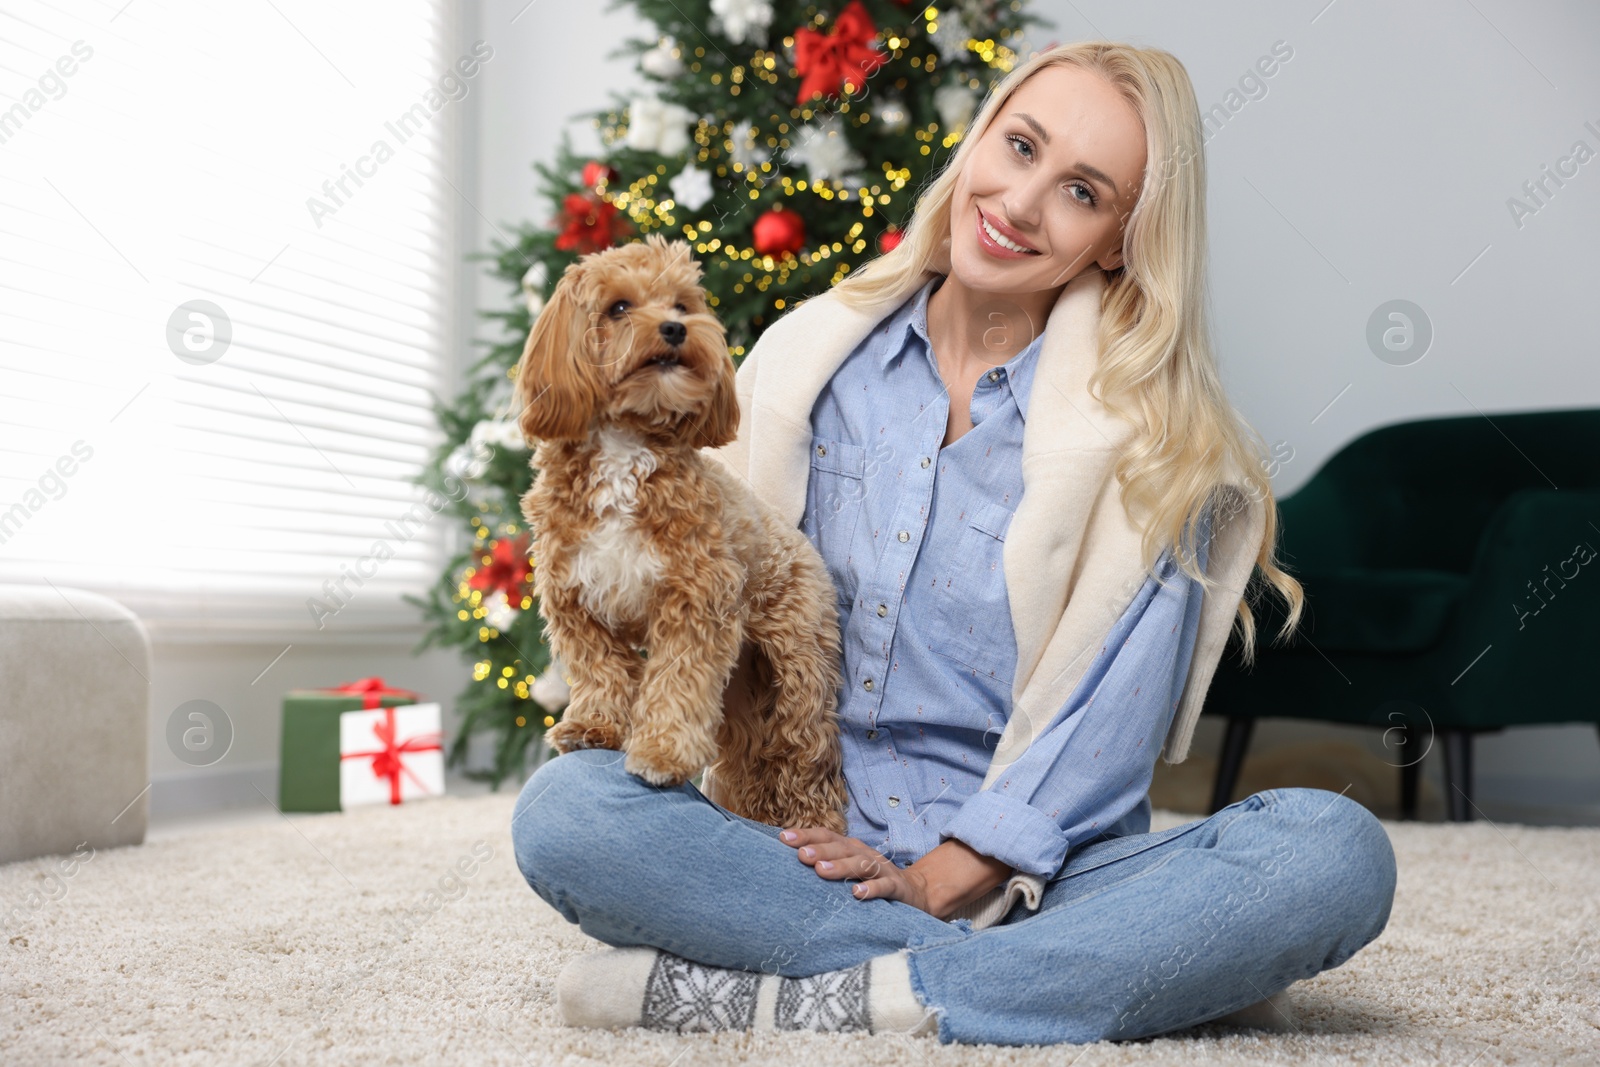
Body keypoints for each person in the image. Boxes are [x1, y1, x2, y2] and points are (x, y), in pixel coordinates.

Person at [511, 41, 1397, 1046]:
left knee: (1330, 850)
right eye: (1018, 147)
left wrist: (941, 875)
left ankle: (837, 993)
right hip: (793, 844)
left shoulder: (1161, 446)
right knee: (567, 811)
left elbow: (1101, 741)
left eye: (1080, 191)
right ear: (979, 143)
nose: (1020, 203)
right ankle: (1061, 986)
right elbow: (700, 601)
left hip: (1040, 878)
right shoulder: (808, 359)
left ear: (1119, 239)